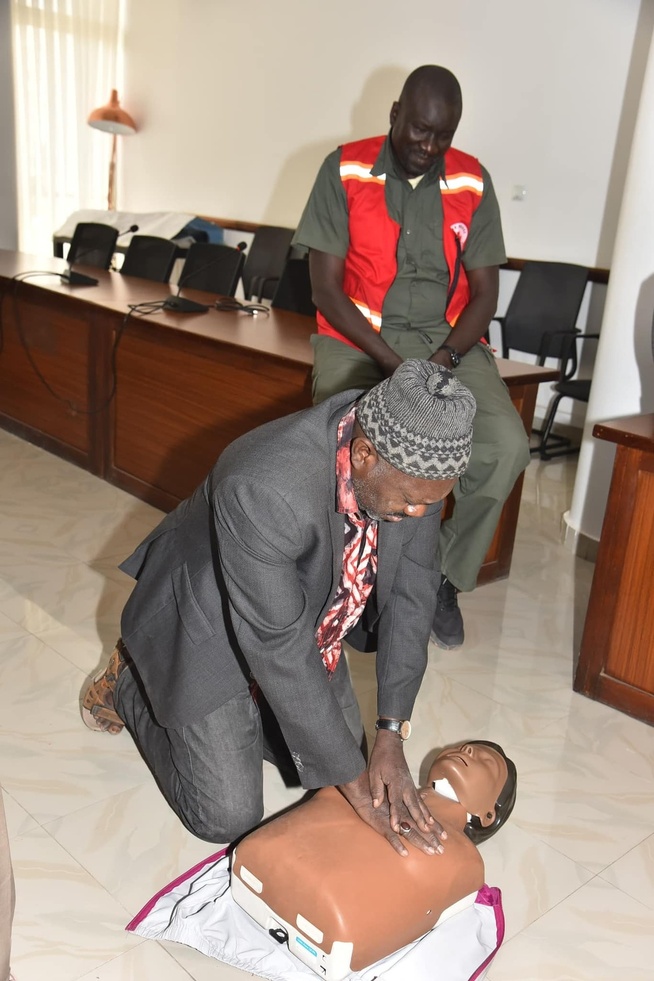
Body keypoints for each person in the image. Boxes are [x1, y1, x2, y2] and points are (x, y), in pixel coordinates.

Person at [82, 360, 476, 853]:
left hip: (308, 619)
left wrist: (391, 732)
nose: (418, 514)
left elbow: (413, 597)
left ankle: (257, 714)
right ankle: (127, 683)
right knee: (227, 815)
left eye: (429, 505)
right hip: (212, 622)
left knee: (329, 765)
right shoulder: (265, 485)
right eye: (410, 502)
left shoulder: (418, 465)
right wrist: (355, 783)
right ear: (363, 455)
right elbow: (279, 646)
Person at [293, 64, 531, 650]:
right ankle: (352, 581)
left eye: (442, 135)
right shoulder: (344, 169)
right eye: (420, 130)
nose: (429, 145)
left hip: (448, 344)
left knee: (505, 448)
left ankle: (442, 578)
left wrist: (444, 359)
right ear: (395, 113)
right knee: (349, 449)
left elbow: (485, 294)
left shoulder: (472, 180)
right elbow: (325, 289)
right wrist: (395, 367)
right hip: (359, 339)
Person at [231, 740, 517, 974]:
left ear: (489, 815)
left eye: (486, 762)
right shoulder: (372, 785)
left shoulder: (463, 858)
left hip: (326, 912)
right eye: (465, 747)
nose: (467, 750)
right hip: (273, 858)